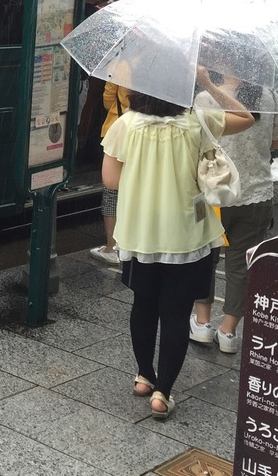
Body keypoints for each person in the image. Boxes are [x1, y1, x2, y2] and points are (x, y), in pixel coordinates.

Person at [102, 71, 253, 419]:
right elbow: (246, 118)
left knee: (143, 304)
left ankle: (144, 376)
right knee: (175, 312)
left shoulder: (126, 125)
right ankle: (163, 393)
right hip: (187, 235)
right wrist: (210, 84)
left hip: (140, 234)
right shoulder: (198, 121)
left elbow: (111, 180)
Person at [190, 78, 278, 353]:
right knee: (240, 266)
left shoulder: (205, 99)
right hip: (256, 195)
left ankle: (202, 322)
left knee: (204, 258)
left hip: (214, 195)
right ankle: (229, 332)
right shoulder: (270, 96)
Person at [90, 78, 131, 266]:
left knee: (112, 191)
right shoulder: (161, 65)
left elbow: (107, 101)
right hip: (144, 132)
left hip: (117, 128)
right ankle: (131, 242)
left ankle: (111, 247)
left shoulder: (120, 66)